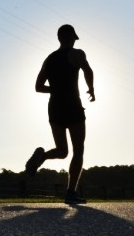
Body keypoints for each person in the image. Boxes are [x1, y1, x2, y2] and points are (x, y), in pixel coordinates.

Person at [25, 24, 95, 205]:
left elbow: (38, 87)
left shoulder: (49, 59)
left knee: (62, 151)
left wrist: (55, 89)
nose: (74, 40)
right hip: (73, 105)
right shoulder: (77, 54)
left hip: (54, 106)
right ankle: (71, 192)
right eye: (73, 37)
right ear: (70, 37)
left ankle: (41, 157)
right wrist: (91, 89)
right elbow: (88, 70)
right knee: (78, 149)